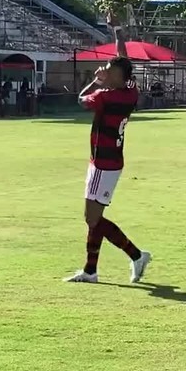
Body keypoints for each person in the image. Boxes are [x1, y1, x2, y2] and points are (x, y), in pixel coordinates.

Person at [65, 56, 152, 284]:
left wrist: (96, 82)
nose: (107, 73)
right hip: (109, 161)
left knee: (92, 218)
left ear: (120, 76)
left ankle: (136, 254)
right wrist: (117, 32)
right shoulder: (130, 91)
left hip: (104, 162)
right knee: (95, 218)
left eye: (111, 72)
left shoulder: (107, 95)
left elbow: (82, 100)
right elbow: (124, 60)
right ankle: (90, 270)